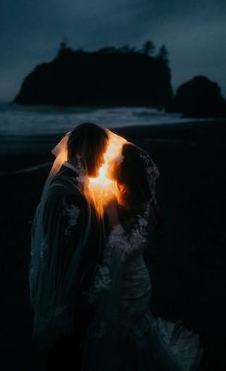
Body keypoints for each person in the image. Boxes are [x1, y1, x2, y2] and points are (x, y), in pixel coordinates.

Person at [82, 142, 204, 371]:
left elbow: (124, 250)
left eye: (115, 163)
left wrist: (111, 217)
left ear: (125, 170)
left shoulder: (136, 206)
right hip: (134, 276)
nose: (110, 165)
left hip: (131, 283)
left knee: (129, 332)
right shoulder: (131, 196)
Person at [28, 122, 109, 370]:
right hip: (72, 298)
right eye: (102, 152)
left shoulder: (68, 184)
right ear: (85, 149)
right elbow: (68, 256)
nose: (104, 160)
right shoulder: (68, 193)